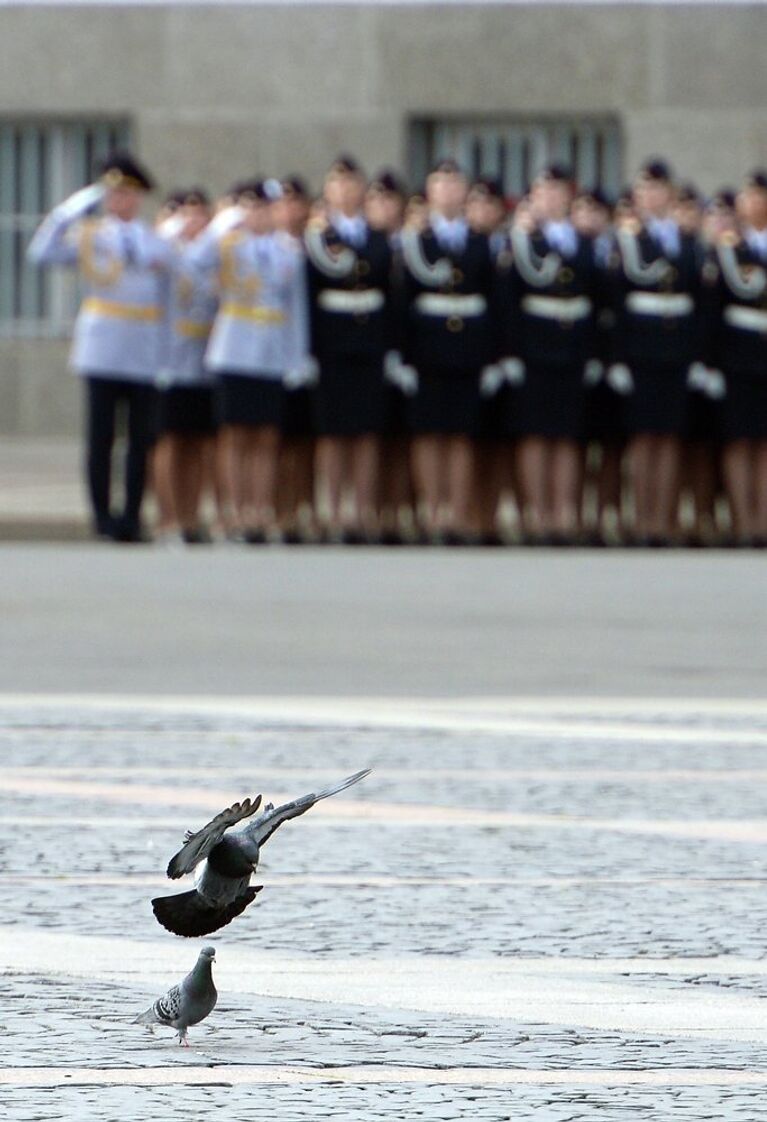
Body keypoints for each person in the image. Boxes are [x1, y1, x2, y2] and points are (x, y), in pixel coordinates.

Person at [27, 150, 171, 542]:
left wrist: (166, 353)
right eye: (112, 192)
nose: (119, 200)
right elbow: (40, 254)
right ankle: (102, 518)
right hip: (103, 348)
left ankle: (131, 517)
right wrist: (68, 212)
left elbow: (168, 297)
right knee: (101, 438)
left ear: (138, 196)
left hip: (142, 349)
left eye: (127, 193)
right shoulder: (90, 236)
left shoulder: (155, 241)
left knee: (140, 440)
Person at [189, 178, 310, 543]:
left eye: (264, 207)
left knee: (266, 438)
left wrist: (297, 357)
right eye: (251, 207)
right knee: (235, 437)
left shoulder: (288, 251)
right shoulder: (227, 245)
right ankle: (234, 511)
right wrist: (221, 224)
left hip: (271, 352)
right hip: (234, 350)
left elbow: (296, 309)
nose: (257, 214)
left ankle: (259, 510)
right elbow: (193, 262)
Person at [494, 165, 599, 543]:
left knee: (568, 435)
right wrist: (510, 353)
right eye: (544, 191)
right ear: (533, 198)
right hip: (534, 345)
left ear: (568, 197)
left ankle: (563, 513)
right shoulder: (521, 242)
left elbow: (597, 299)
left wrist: (595, 354)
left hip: (573, 345)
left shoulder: (584, 241)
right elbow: (508, 302)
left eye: (558, 191)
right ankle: (537, 514)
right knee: (536, 434)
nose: (552, 198)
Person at [396, 158, 497, 542]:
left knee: (460, 433)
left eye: (455, 184)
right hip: (426, 345)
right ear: (429, 192)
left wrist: (492, 357)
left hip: (468, 344)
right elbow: (402, 299)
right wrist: (402, 355)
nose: (448, 191)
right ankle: (432, 511)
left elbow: (492, 300)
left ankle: (456, 511)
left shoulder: (480, 240)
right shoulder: (415, 241)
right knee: (428, 433)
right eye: (440, 183)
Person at [605, 158, 702, 545]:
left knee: (669, 436)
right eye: (644, 190)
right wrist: (616, 358)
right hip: (640, 348)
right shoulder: (627, 241)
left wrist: (698, 356)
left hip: (676, 347)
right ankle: (642, 518)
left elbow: (699, 302)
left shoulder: (688, 241)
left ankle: (663, 519)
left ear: (670, 195)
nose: (651, 197)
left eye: (659, 190)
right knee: (643, 438)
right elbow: (615, 305)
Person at [305, 155, 395, 542]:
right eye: (336, 183)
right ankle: (334, 511)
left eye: (352, 183)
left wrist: (392, 347)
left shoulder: (377, 237)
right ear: (327, 191)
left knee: (365, 432)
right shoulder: (318, 238)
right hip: (331, 341)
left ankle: (361, 511)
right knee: (334, 432)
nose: (345, 190)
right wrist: (307, 350)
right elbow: (309, 296)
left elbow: (389, 295)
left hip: (369, 340)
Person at [701, 170, 767, 544]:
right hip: (738, 353)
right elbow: (713, 311)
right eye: (747, 196)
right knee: (741, 441)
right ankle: (744, 521)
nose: (749, 203)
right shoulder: (728, 248)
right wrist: (711, 363)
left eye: (756, 196)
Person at [156, 188, 220, 543]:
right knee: (171, 442)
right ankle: (168, 517)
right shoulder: (169, 253)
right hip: (171, 356)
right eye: (186, 215)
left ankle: (192, 516)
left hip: (204, 356)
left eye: (200, 216)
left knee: (198, 443)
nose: (192, 223)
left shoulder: (215, 258)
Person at [273, 176, 318, 543]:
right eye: (280, 203)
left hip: (313, 354)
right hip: (271, 355)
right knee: (277, 443)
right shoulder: (266, 247)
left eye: (293, 202)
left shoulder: (316, 246)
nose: (287, 210)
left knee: (306, 442)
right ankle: (279, 512)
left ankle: (304, 509)